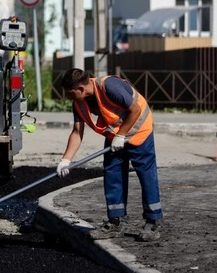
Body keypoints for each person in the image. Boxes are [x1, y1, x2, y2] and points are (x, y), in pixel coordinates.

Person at [56, 68, 163, 242]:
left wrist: (122, 135)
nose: (68, 97)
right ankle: (116, 221)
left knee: (146, 175)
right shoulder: (79, 103)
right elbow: (77, 132)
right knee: (113, 174)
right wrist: (65, 160)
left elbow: (135, 110)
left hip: (139, 132)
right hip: (116, 137)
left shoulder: (110, 86)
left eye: (70, 93)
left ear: (80, 89)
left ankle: (153, 221)